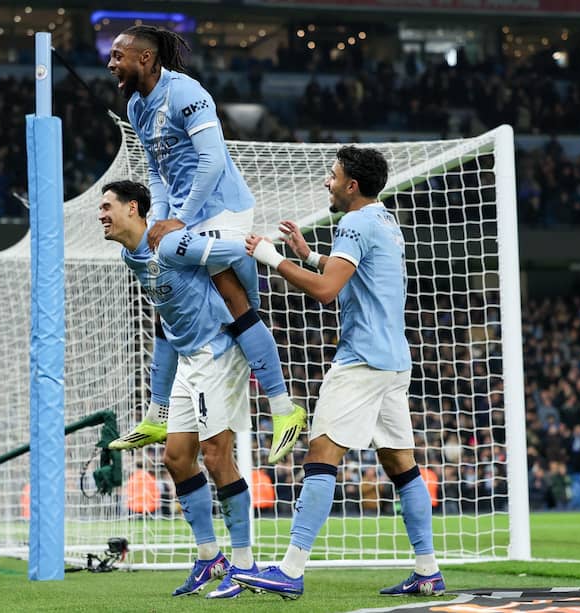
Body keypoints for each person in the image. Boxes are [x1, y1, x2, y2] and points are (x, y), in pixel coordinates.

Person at [231, 146, 445, 598]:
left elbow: (328, 291)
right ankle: (428, 570)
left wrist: (272, 258)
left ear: (352, 185)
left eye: (333, 176)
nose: (327, 182)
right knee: (401, 464)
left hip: (361, 360)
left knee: (321, 455)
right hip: (394, 361)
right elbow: (352, 272)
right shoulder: (384, 221)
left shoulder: (353, 223)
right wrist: (309, 256)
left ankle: (290, 570)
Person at [105, 25, 305, 463]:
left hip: (223, 209)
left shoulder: (186, 92)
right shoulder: (137, 106)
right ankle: (159, 413)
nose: (110, 63)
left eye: (118, 55)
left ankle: (282, 406)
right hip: (186, 215)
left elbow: (213, 161)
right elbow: (156, 171)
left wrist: (179, 219)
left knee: (229, 297)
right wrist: (159, 218)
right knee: (170, 293)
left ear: (145, 58)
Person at [98, 180, 259, 598]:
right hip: (189, 357)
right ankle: (210, 557)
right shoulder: (130, 255)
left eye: (107, 206)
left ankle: (245, 566)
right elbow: (166, 318)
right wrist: (159, 395)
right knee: (176, 458)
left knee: (216, 456)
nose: (101, 215)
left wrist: (251, 307)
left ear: (133, 208)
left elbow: (236, 252)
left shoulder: (170, 243)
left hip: (218, 350)